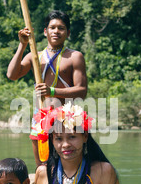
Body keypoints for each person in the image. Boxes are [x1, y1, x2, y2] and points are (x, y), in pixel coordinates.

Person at [7, 10, 87, 166]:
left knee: (69, 166)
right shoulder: (35, 56)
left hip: (66, 119)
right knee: (42, 166)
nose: (56, 31)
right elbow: (12, 74)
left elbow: (81, 91)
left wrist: (52, 91)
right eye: (52, 27)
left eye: (61, 28)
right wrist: (23, 45)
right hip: (41, 117)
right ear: (45, 32)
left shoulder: (75, 57)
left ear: (68, 33)